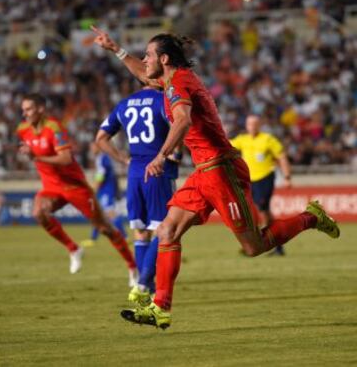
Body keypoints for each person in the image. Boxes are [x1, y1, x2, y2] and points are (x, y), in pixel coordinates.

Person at [91, 26, 340, 330]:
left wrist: (161, 155)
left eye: (149, 55)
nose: (144, 60)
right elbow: (144, 74)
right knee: (167, 230)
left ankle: (310, 218)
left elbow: (182, 120)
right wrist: (115, 49)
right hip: (204, 172)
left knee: (254, 246)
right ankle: (161, 308)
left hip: (222, 170)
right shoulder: (169, 81)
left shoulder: (179, 83)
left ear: (165, 59)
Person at [17, 93, 137, 285]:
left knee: (105, 228)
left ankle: (133, 267)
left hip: (75, 187)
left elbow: (65, 159)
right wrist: (27, 151)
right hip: (51, 187)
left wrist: (36, 157)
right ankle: (73, 248)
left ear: (40, 108)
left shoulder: (54, 128)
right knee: (39, 212)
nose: (25, 113)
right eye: (23, 110)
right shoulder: (23, 130)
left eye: (29, 109)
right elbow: (27, 146)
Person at [95, 86, 180, 306]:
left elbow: (101, 138)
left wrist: (123, 159)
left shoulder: (125, 103)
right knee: (163, 229)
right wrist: (174, 152)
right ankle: (143, 283)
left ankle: (143, 290)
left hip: (134, 171)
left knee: (141, 231)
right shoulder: (164, 100)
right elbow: (179, 130)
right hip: (157, 170)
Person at [230, 114, 292, 256]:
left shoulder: (268, 139)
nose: (252, 126)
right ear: (246, 126)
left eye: (254, 124)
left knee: (261, 209)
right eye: (249, 124)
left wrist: (287, 176)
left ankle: (262, 242)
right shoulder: (242, 140)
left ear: (259, 125)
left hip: (265, 178)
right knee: (262, 212)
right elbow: (226, 144)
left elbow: (281, 157)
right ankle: (275, 243)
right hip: (249, 181)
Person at [82, 142, 128, 247]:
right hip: (107, 190)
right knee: (99, 214)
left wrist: (94, 189)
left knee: (110, 213)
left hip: (106, 190)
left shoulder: (101, 159)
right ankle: (93, 239)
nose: (92, 149)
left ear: (98, 146)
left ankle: (124, 237)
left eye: (93, 147)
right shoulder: (103, 158)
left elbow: (101, 176)